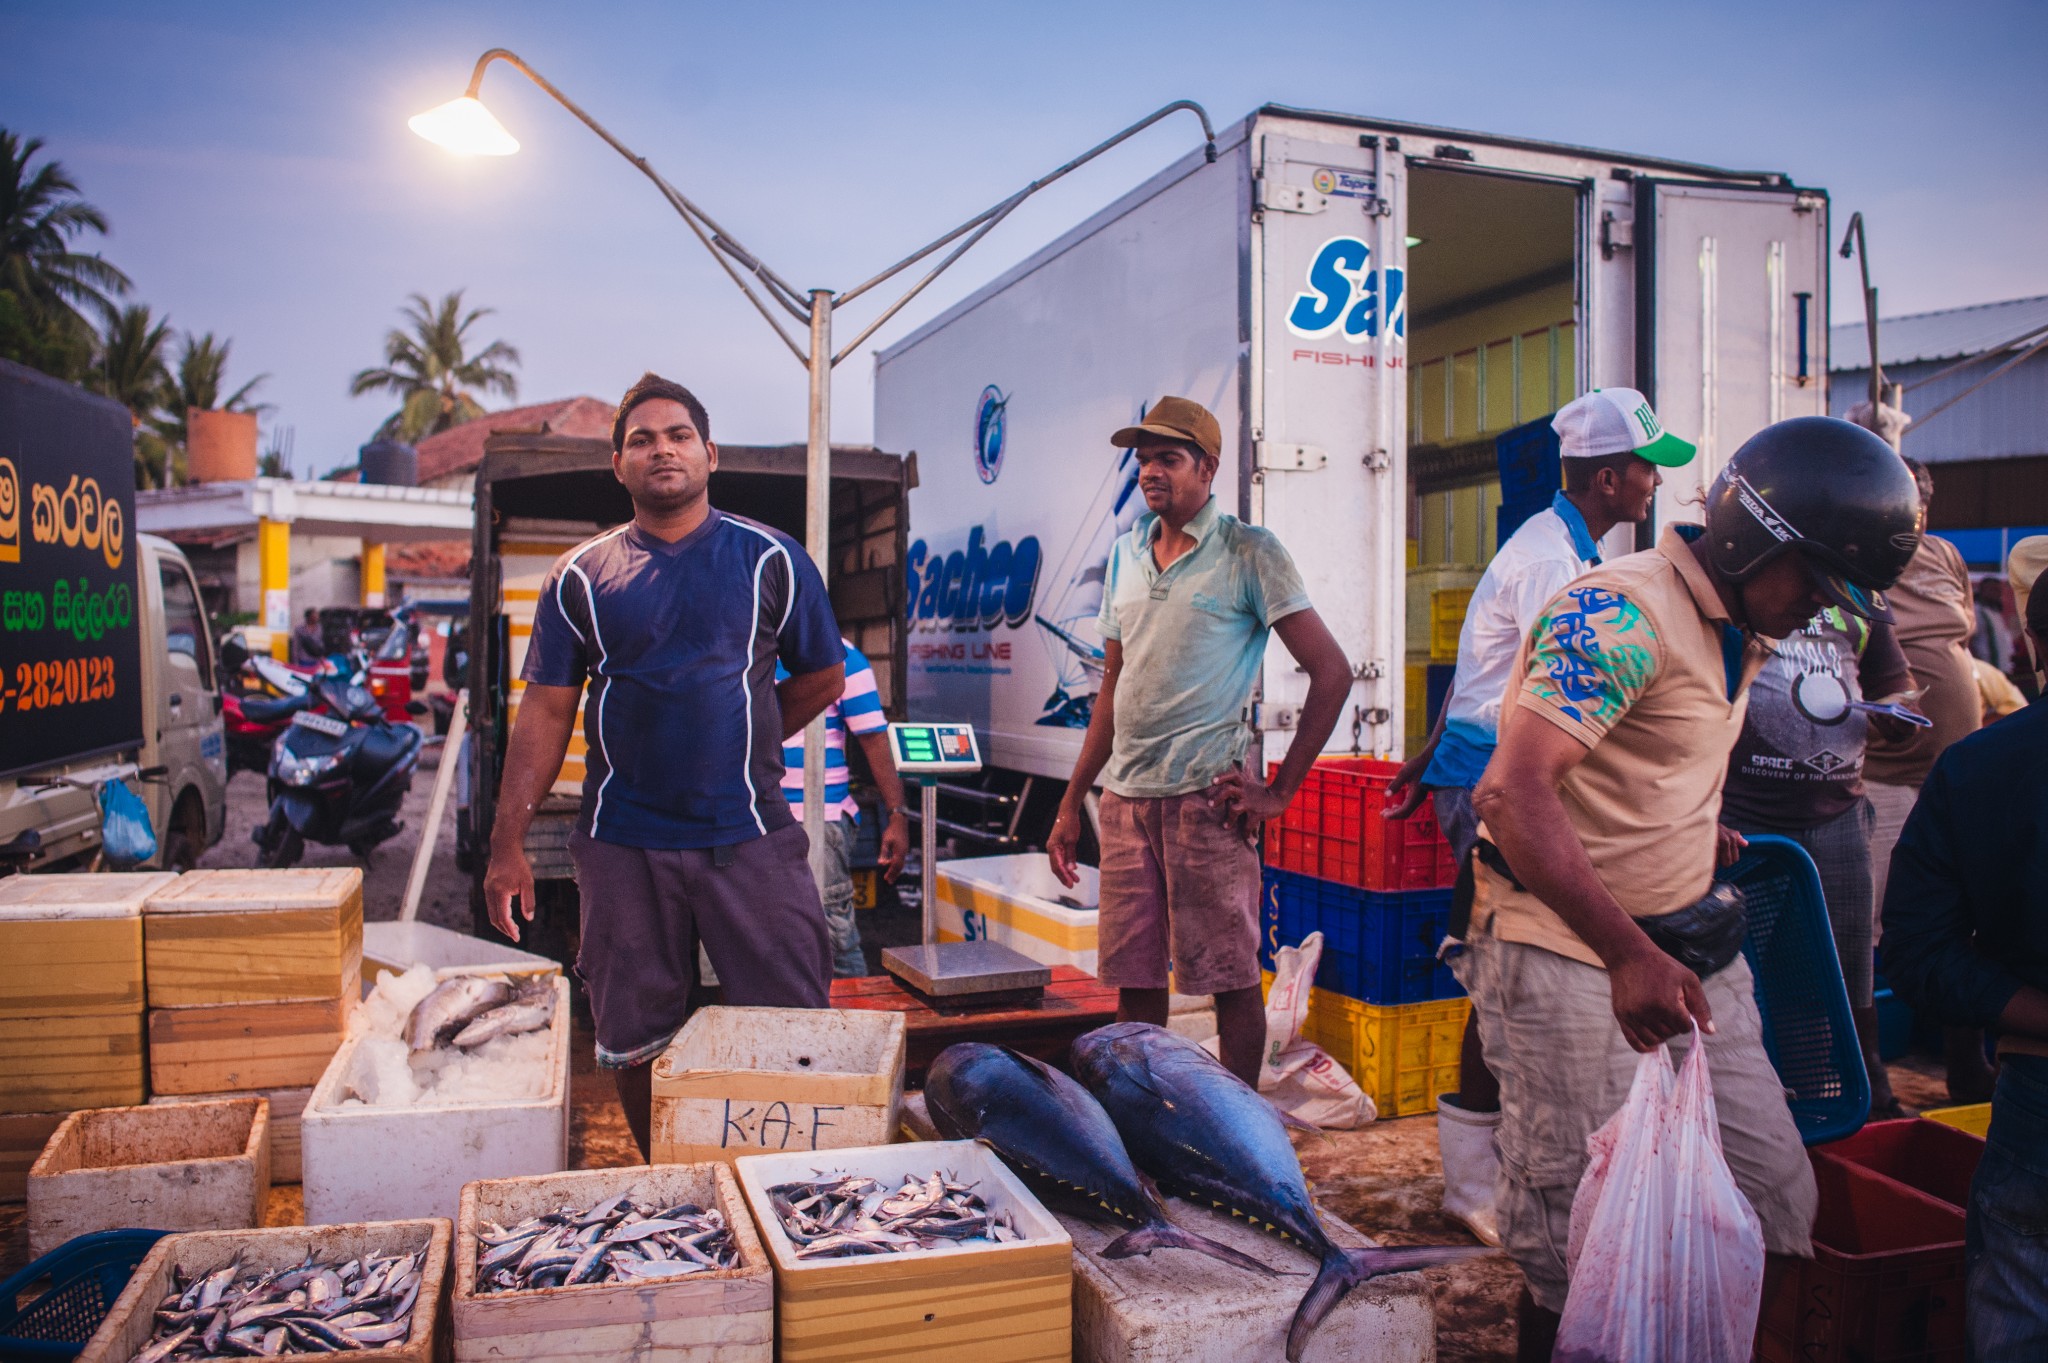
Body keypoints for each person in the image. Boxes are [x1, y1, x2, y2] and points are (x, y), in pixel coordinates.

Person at [1465, 416, 1921, 1359]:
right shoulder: (1620, 612)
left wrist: (1685, 821)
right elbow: (1512, 791)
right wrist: (1626, 948)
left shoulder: (1738, 621)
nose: (1817, 614)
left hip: (1697, 950)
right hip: (1572, 958)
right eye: (1817, 585)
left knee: (1772, 1201)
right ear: (1755, 536)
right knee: (1582, 1242)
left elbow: (1645, 751)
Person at [482, 372, 847, 1159]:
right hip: (623, 842)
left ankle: (791, 1181)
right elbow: (544, 710)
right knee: (634, 1034)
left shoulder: (772, 559)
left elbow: (823, 677)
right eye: (642, 439)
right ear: (618, 464)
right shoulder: (580, 576)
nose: (662, 449)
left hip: (749, 837)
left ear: (710, 453)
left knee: (792, 1020)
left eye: (678, 434)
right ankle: (668, 1178)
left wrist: (746, 740)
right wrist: (506, 842)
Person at [1386, 386, 1695, 1247]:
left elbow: (1480, 670)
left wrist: (1428, 753)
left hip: (1481, 772)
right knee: (1510, 971)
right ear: (1605, 477)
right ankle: (1479, 1180)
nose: (1652, 484)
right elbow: (1537, 705)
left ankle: (1483, 1171)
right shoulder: (1554, 565)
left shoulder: (1563, 544)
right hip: (1499, 788)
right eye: (1644, 468)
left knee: (1515, 969)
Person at [1046, 396, 1352, 1088]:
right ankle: (1148, 1120)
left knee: (1230, 980)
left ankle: (1236, 1133)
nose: (1150, 470)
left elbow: (1331, 672)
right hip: (1125, 804)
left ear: (1208, 468)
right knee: (1135, 984)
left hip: (1204, 805)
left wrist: (1277, 791)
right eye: (1144, 458)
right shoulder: (1127, 553)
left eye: (1169, 458)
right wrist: (1073, 800)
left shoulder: (1249, 551)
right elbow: (1113, 688)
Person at [1879, 540, 2048, 1361]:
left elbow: (1916, 951)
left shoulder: (1979, 768)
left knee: (2019, 1304)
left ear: (2026, 646)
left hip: (2039, 1086)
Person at [1718, 598, 1918, 1117]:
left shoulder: (1866, 596)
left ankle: (1862, 1092)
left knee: (1844, 966)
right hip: (1742, 819)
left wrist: (1899, 709)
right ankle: (1750, 1105)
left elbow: (1894, 680)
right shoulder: (1747, 583)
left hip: (1838, 815)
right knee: (1736, 976)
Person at [1861, 457, 1990, 1102]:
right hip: (1883, 775)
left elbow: (1958, 632)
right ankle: (1873, 1071)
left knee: (1965, 916)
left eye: (1916, 505)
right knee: (1873, 925)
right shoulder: (1850, 556)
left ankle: (1967, 1059)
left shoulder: (1944, 554)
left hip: (1956, 772)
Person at [778, 639, 911, 976]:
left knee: (832, 940)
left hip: (820, 822)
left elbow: (874, 737)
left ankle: (854, 1023)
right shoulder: (742, 649)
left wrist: (897, 815)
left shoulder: (842, 655)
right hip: (752, 820)